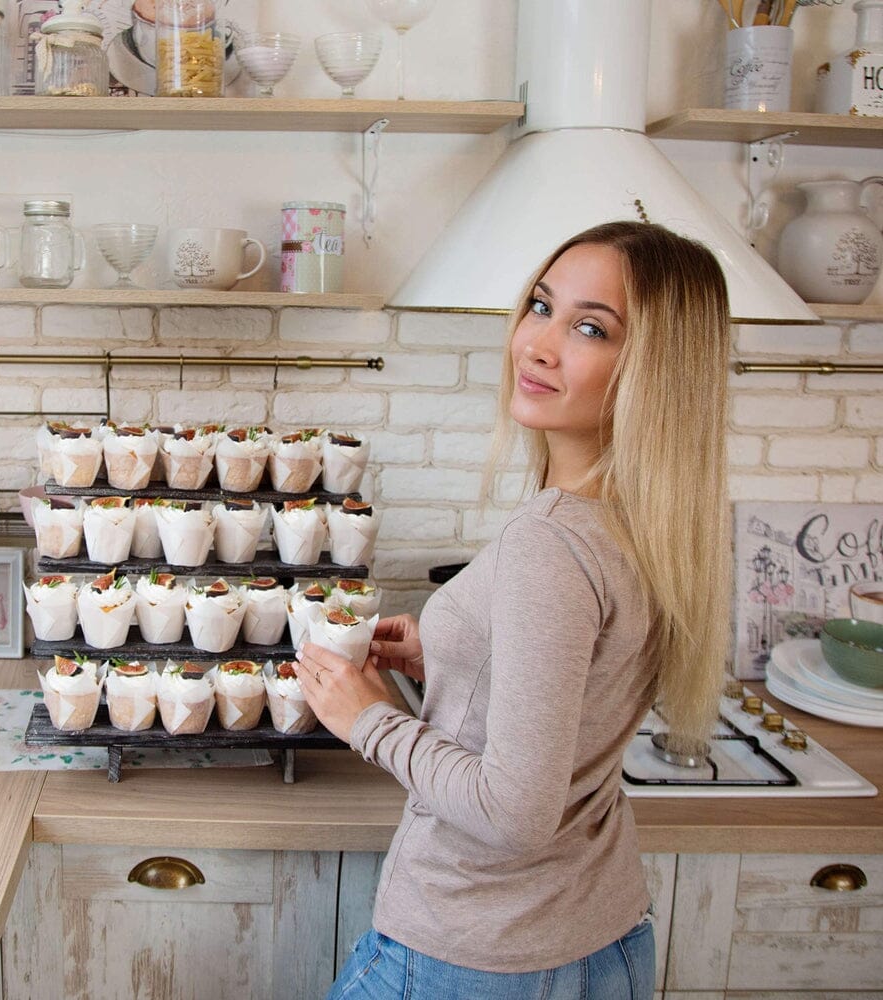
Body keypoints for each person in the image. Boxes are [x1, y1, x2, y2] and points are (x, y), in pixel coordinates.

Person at [293, 221, 732, 999]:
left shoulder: (552, 542)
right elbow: (586, 695)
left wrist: (368, 719)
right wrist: (452, 663)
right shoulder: (656, 520)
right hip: (605, 942)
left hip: (472, 953)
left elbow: (513, 813)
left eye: (590, 328)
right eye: (540, 306)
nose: (537, 344)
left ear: (654, 370)